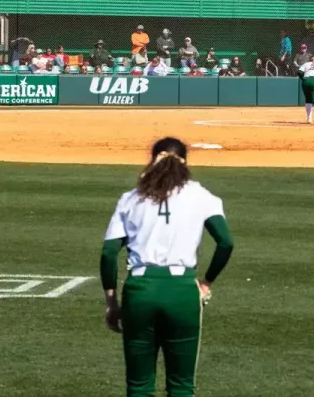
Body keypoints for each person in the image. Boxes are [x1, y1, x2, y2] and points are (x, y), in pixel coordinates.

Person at [100, 138, 234, 397]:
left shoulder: (131, 198)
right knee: (181, 386)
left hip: (140, 290)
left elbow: (108, 253)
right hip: (181, 291)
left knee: (139, 386)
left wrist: (111, 301)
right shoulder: (201, 196)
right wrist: (206, 282)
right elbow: (226, 242)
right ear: (185, 162)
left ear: (152, 160)